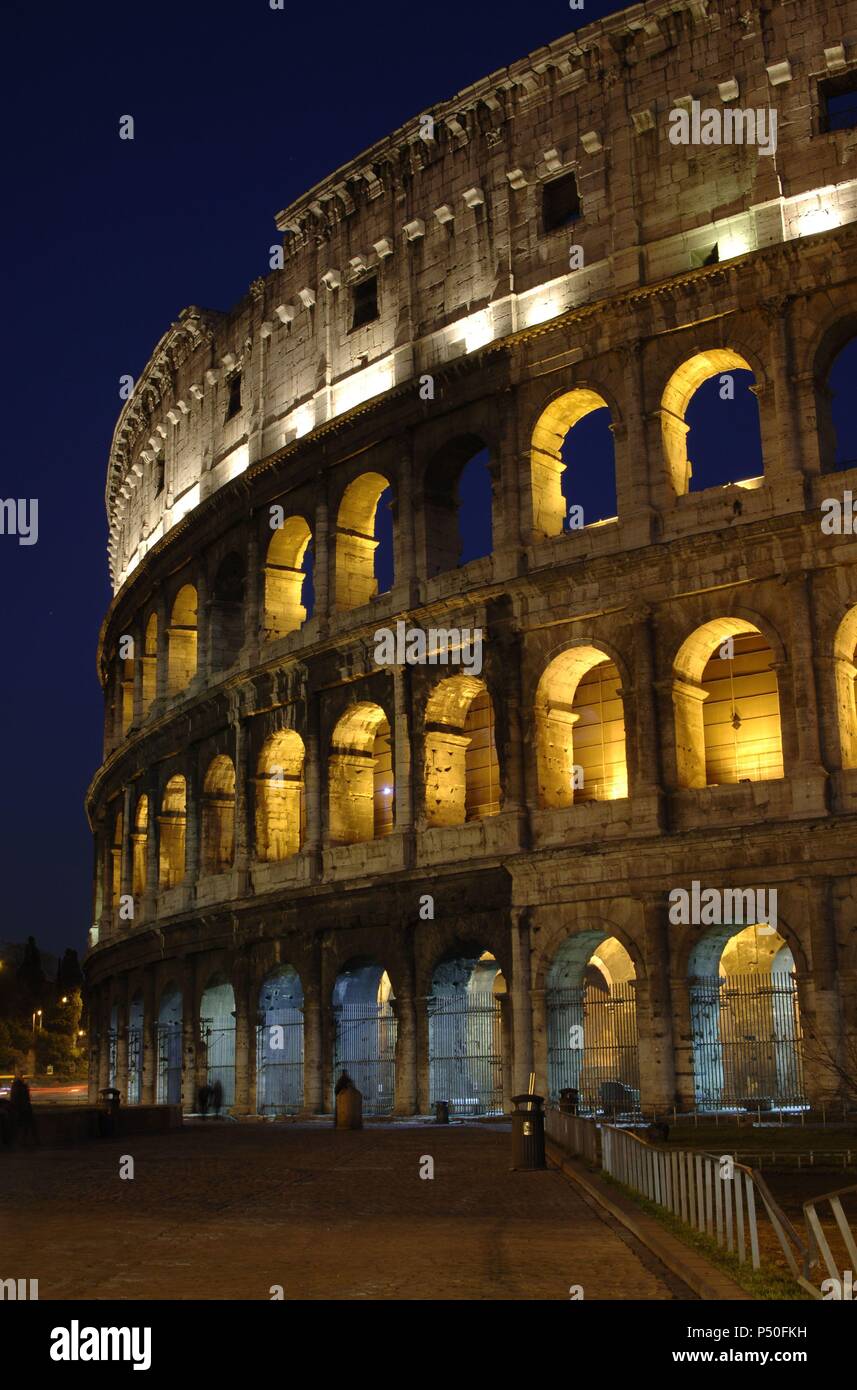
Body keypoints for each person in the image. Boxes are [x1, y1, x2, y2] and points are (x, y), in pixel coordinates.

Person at [9, 1072, 38, 1147]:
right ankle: (33, 1140)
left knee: (20, 1126)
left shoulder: (15, 1087)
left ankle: (21, 1141)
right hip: (25, 1108)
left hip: (19, 1109)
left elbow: (13, 1099)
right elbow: (27, 1098)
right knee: (29, 1126)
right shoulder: (23, 1086)